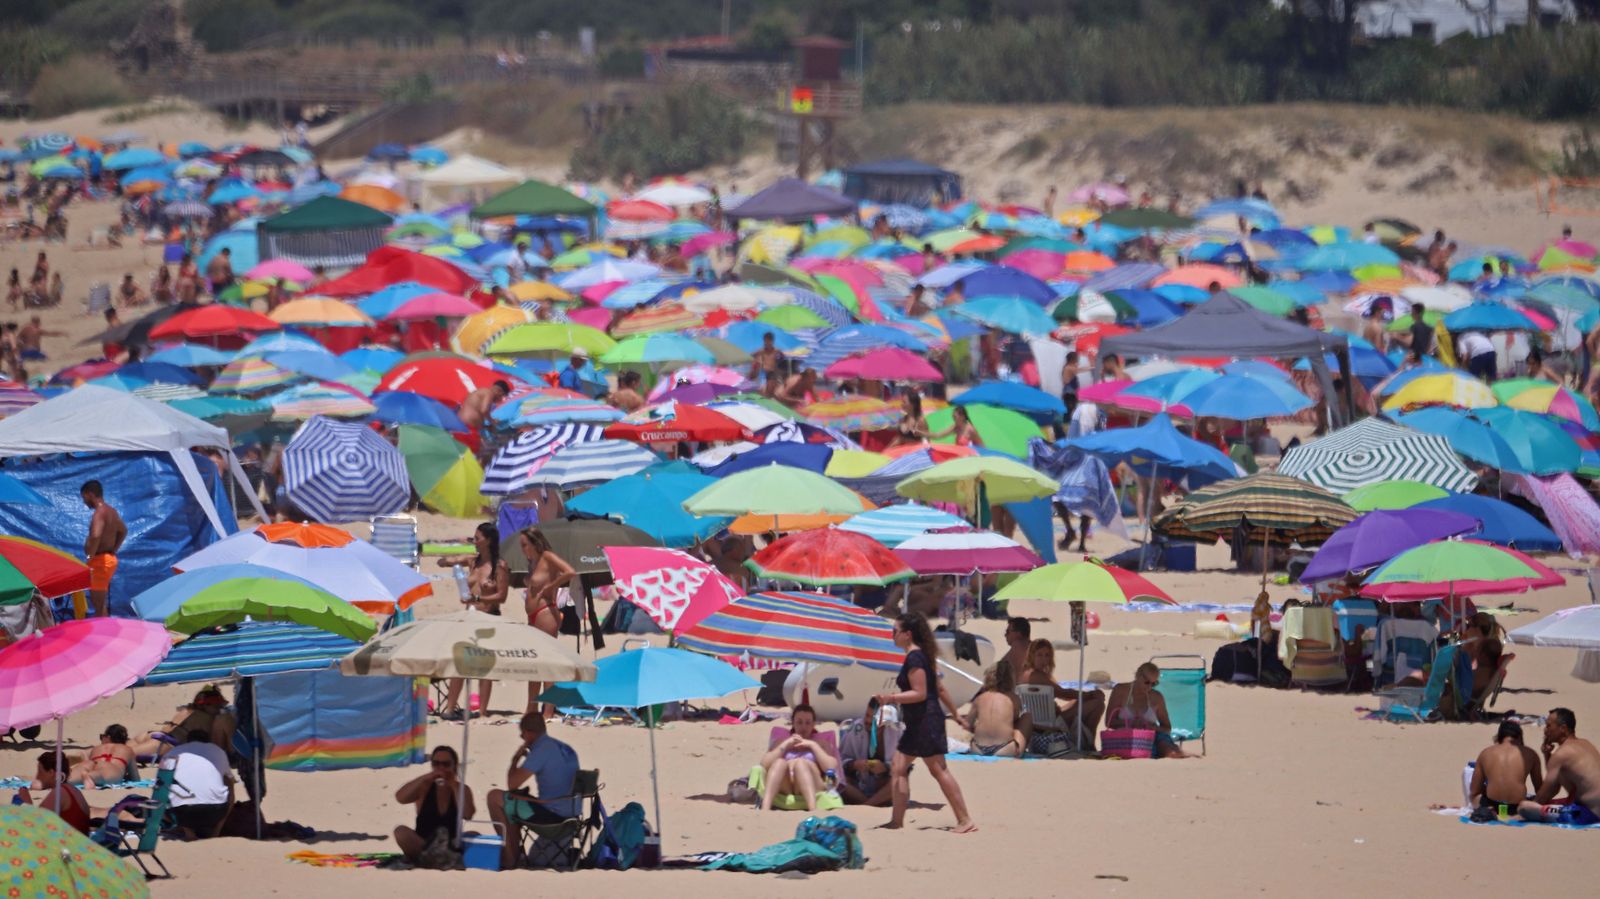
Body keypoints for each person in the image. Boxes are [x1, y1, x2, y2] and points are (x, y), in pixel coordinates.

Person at [874, 612, 976, 833]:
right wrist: (956, 715)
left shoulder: (915, 658)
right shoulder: (922, 657)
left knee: (938, 769)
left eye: (895, 631)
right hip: (922, 721)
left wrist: (891, 698)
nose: (892, 635)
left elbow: (920, 693)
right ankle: (896, 821)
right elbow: (939, 689)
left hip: (924, 721)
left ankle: (965, 819)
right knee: (899, 766)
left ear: (907, 634)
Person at [436, 523, 511, 719]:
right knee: (459, 662)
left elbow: (502, 597)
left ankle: (483, 711)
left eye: (478, 538)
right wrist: (445, 561)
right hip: (469, 616)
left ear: (489, 540)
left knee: (484, 666)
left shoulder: (500, 566)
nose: (475, 541)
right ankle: (450, 708)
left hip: (488, 618)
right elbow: (449, 561)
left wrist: (478, 599)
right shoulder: (472, 562)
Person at [488, 713, 580, 868]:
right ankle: (515, 852)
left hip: (554, 817)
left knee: (495, 797)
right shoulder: (564, 747)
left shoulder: (542, 749)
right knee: (514, 802)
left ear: (529, 733)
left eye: (522, 734)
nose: (522, 738)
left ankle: (511, 857)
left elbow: (512, 783)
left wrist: (515, 759)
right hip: (573, 815)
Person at [520, 527, 575, 716]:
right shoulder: (532, 562)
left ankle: (548, 711)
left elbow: (570, 572)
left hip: (546, 613)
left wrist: (552, 586)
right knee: (534, 664)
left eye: (525, 544)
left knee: (546, 664)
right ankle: (531, 707)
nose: (522, 549)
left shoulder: (547, 556)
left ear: (534, 543)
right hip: (533, 615)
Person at [393, 745, 476, 863]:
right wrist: (426, 777)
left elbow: (468, 814)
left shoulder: (462, 789)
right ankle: (435, 858)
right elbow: (400, 798)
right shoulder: (424, 786)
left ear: (454, 766)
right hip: (423, 844)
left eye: (446, 764)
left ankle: (435, 859)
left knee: (473, 835)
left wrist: (453, 784)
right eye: (436, 764)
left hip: (450, 845)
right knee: (400, 832)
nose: (441, 768)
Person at [1520, 708, 1600, 826]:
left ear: (1563, 728)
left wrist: (1528, 808)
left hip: (1589, 814)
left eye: (1548, 726)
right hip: (1591, 806)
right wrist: (1547, 754)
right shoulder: (1585, 744)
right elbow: (1558, 781)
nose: (1545, 730)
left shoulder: (1561, 754)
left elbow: (1544, 797)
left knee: (1524, 807)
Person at [1020, 639, 1105, 749]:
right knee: (1097, 704)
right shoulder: (1037, 676)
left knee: (1079, 702)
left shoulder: (1025, 673)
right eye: (1039, 655)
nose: (1043, 659)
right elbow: (1063, 694)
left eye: (1047, 655)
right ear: (1031, 656)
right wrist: (1091, 695)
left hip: (1040, 720)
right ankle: (1089, 743)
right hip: (1050, 721)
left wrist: (1086, 696)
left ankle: (1084, 740)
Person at [758, 704, 838, 812]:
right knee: (779, 762)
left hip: (813, 784)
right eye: (799, 722)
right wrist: (785, 745)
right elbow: (764, 764)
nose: (803, 727)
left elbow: (831, 767)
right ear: (793, 723)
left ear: (814, 724)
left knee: (801, 763)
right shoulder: (782, 741)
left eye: (808, 723)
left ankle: (812, 809)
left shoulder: (821, 744)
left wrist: (812, 745)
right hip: (787, 785)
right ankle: (765, 808)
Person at [1105, 662, 1190, 759]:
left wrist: (1151, 727)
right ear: (1138, 675)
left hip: (1152, 736)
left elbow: (1167, 728)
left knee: (1169, 751)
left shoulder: (1156, 697)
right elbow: (1109, 722)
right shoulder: (1121, 690)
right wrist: (1130, 723)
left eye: (1154, 683)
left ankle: (1180, 752)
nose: (1149, 687)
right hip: (1126, 738)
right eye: (1147, 682)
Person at [128, 686, 237, 759]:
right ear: (207, 705)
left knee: (116, 751)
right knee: (122, 756)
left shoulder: (187, 710)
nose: (219, 709)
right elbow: (214, 745)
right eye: (217, 706)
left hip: (152, 735)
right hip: (167, 744)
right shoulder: (209, 719)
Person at [162, 731, 235, 839]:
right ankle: (216, 832)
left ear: (187, 742)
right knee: (229, 782)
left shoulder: (175, 752)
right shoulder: (217, 751)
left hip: (181, 814)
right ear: (208, 742)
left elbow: (162, 782)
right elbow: (230, 778)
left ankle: (188, 832)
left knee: (166, 784)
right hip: (216, 812)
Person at [1469, 721, 1543, 818]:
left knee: (1473, 796)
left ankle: (1496, 813)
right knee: (1535, 799)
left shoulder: (1485, 753)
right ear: (1520, 737)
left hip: (1492, 806)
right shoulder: (1531, 754)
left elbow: (1474, 790)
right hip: (1516, 808)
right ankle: (1508, 814)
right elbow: (1540, 790)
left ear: (1499, 736)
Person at [81, 480, 126, 618]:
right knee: (101, 604)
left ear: (90, 494)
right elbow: (123, 530)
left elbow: (95, 535)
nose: (84, 502)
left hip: (100, 561)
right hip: (109, 559)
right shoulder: (111, 511)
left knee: (98, 605)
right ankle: (106, 632)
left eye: (84, 497)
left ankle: (103, 635)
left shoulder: (99, 513)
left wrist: (90, 556)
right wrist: (114, 549)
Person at [838, 699, 896, 807]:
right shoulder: (856, 728)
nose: (868, 720)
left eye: (874, 718)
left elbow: (905, 766)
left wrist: (885, 767)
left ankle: (867, 804)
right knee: (840, 780)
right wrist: (854, 764)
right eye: (867, 715)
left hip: (883, 786)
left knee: (898, 781)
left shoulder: (896, 732)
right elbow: (840, 759)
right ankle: (867, 803)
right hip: (858, 786)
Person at [965, 660, 1027, 757]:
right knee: (1026, 717)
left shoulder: (979, 698)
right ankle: (1019, 752)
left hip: (978, 748)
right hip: (1004, 748)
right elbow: (1015, 719)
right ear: (1011, 679)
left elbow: (967, 724)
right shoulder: (1013, 698)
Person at [18, 752, 91, 834]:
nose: (37, 776)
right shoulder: (72, 791)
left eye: (40, 772)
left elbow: (36, 824)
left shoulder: (60, 793)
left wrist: (27, 803)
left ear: (51, 773)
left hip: (67, 844)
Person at [68, 723, 136, 787]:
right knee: (100, 775)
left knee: (69, 780)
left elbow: (81, 755)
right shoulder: (127, 749)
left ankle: (68, 779)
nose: (101, 740)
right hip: (110, 767)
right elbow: (135, 777)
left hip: (90, 763)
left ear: (108, 737)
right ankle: (89, 776)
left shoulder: (96, 748)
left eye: (102, 736)